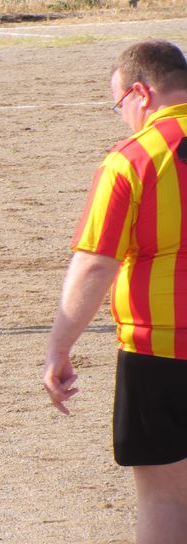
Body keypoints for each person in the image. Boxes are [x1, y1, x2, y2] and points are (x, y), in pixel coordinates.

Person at [44, 39, 187, 543]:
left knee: (165, 496)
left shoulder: (132, 159)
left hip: (161, 350)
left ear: (141, 94)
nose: (122, 115)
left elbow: (95, 264)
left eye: (119, 103)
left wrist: (59, 347)